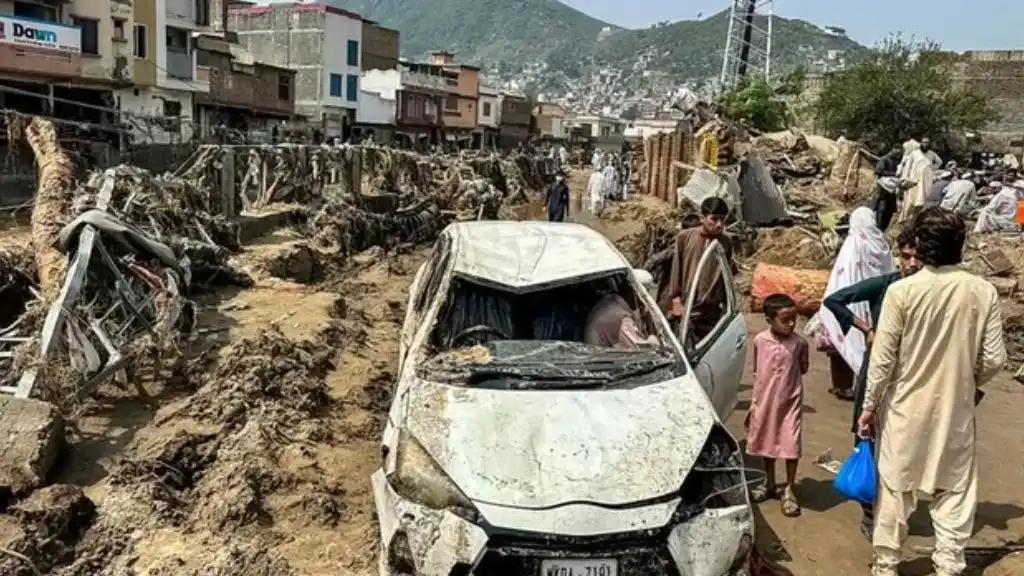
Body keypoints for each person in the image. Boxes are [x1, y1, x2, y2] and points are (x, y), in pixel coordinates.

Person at [858, 208, 1006, 576]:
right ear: (960, 244)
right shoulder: (982, 291)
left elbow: (882, 361)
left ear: (922, 245)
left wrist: (868, 407)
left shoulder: (902, 292)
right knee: (954, 491)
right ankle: (949, 565)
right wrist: (970, 384)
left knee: (895, 489)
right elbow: (995, 359)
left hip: (905, 409)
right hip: (956, 411)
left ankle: (886, 564)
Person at [822, 226, 923, 539]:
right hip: (875, 369)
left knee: (903, 440)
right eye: (907, 256)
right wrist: (865, 328)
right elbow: (836, 299)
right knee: (866, 435)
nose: (913, 263)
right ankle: (869, 509)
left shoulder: (928, 292)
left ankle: (895, 504)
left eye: (919, 257)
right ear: (898, 258)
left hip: (909, 374)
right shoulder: (887, 284)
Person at [817, 207, 896, 402]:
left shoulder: (853, 243)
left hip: (850, 300)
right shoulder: (882, 244)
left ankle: (843, 386)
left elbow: (844, 274)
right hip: (877, 302)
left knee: (841, 343)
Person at [746, 293, 809, 517]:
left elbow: (803, 368)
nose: (791, 324)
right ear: (769, 320)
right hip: (764, 401)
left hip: (790, 402)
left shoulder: (800, 343)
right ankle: (769, 481)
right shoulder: (760, 341)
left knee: (791, 445)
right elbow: (757, 370)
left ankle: (790, 489)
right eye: (785, 320)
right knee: (767, 441)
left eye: (794, 319)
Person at [664, 197, 735, 340]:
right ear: (703, 218)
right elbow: (676, 269)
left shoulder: (725, 242)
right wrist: (676, 300)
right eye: (714, 219)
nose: (719, 224)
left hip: (711, 310)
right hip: (687, 306)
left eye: (722, 220)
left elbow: (726, 276)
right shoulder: (685, 237)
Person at [583, 282, 658, 349]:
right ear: (635, 293)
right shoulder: (621, 318)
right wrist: (652, 331)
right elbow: (645, 350)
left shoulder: (610, 302)